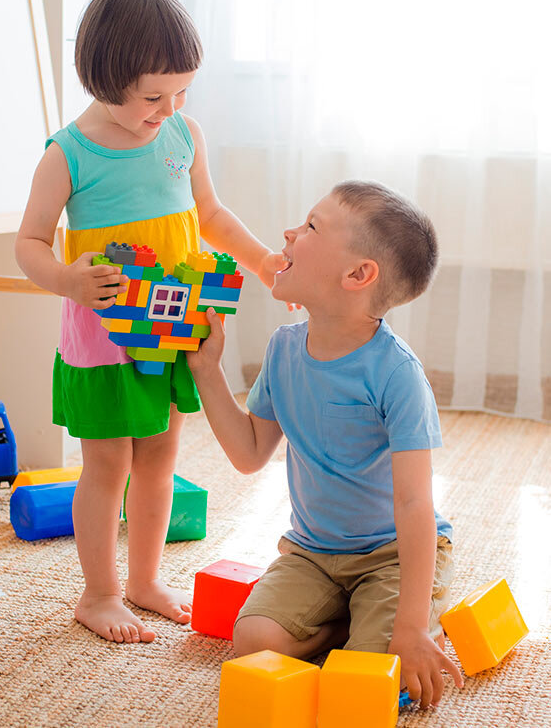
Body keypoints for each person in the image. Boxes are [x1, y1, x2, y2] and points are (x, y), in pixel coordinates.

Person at [15, 0, 282, 644]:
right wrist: (66, 280)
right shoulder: (67, 152)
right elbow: (27, 242)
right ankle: (99, 592)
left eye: (181, 93)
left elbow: (211, 216)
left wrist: (263, 261)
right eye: (152, 96)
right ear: (104, 77)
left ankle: (143, 579)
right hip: (103, 339)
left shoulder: (181, 135)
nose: (168, 109)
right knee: (106, 463)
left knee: (160, 457)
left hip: (171, 327)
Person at [187, 180, 464, 708]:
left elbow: (414, 505)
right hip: (313, 552)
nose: (289, 233)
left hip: (393, 557)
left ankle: (404, 618)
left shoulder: (398, 375)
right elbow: (249, 455)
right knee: (251, 645)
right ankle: (344, 620)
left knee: (374, 676)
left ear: (358, 275)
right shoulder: (284, 349)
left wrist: (408, 629)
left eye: (311, 226)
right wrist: (208, 370)